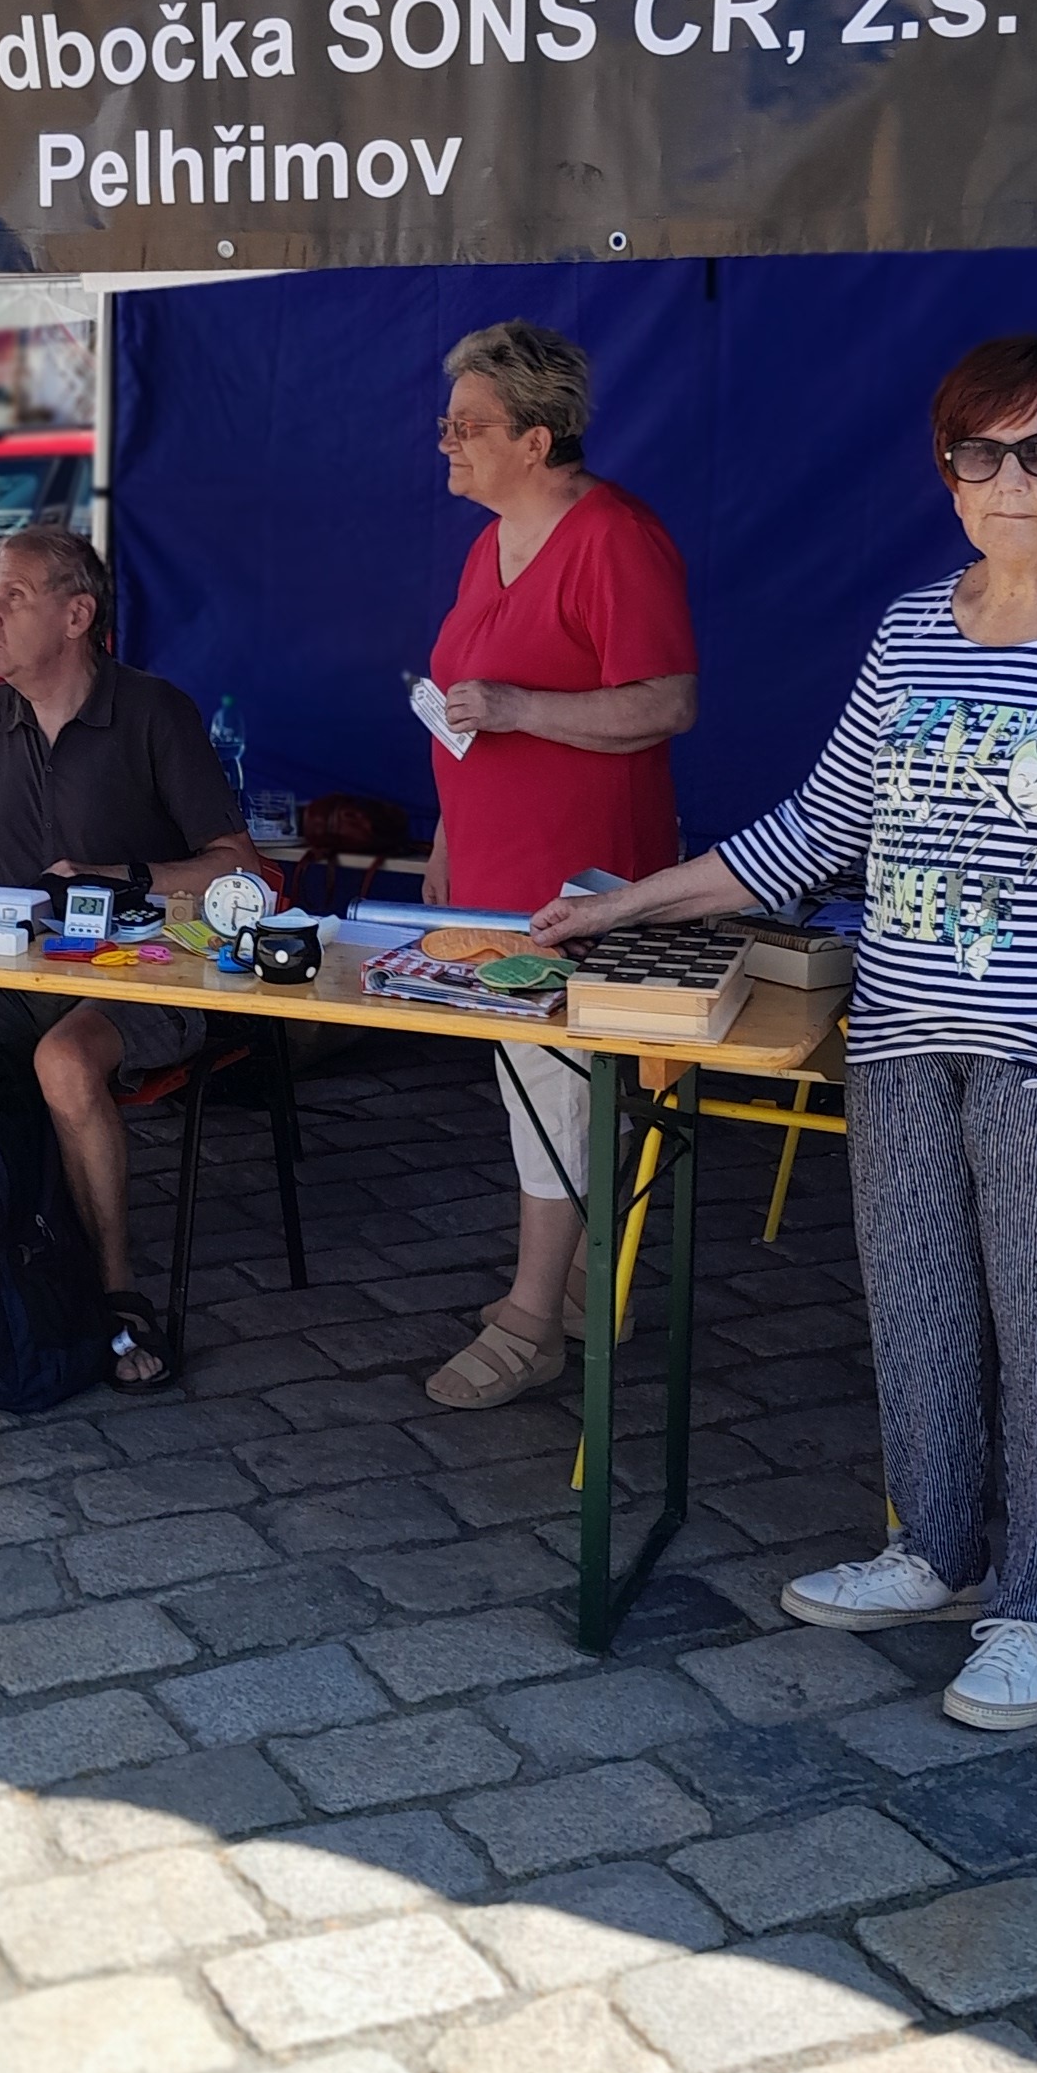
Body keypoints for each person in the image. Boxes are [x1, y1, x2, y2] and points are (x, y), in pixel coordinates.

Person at [533, 336, 1037, 1729]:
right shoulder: (916, 627)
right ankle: (937, 1551)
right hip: (908, 1039)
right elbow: (818, 829)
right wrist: (628, 904)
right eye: (981, 453)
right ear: (950, 477)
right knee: (917, 1315)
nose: (1011, 479)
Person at [0, 523, 265, 1387]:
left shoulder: (154, 711)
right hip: (14, 966)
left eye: (14, 597)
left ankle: (114, 1293)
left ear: (77, 616)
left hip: (146, 966)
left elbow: (240, 869)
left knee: (65, 1061)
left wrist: (125, 876)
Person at [420, 321, 698, 1410]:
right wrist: (447, 838)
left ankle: (533, 1318)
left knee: (557, 1089)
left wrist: (523, 708)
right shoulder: (488, 543)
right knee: (542, 1087)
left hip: (588, 878)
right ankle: (582, 1288)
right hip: (494, 869)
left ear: (536, 439)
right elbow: (465, 715)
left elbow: (667, 703)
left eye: (468, 425)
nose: (447, 441)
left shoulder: (613, 536)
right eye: (447, 423)